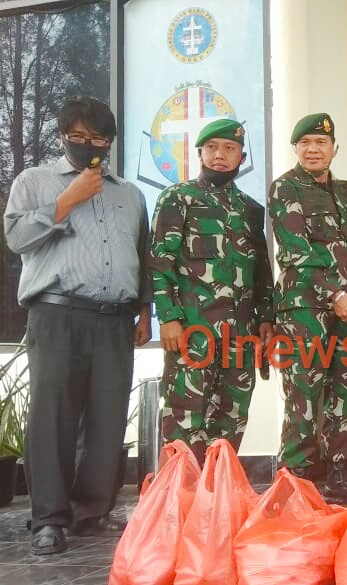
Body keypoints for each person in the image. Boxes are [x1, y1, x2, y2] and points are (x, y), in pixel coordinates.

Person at [3, 97, 152, 554]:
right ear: (63, 135)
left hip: (114, 319)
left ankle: (91, 512)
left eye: (99, 139)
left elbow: (142, 255)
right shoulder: (34, 181)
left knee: (107, 419)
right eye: (79, 137)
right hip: (56, 313)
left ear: (110, 143)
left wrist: (143, 310)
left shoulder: (130, 193)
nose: (89, 146)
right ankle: (48, 517)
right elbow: (16, 237)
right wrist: (67, 200)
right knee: (53, 417)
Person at [150, 119, 274, 466]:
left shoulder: (250, 210)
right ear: (200, 153)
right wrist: (169, 318)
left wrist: (266, 319)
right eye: (213, 148)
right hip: (194, 332)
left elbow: (261, 272)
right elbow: (160, 263)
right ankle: (179, 505)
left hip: (240, 337)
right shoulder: (178, 199)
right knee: (184, 423)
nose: (221, 155)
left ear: (241, 156)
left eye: (229, 149)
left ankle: (218, 501)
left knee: (231, 423)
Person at [268, 113, 347, 501]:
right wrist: (334, 294)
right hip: (305, 308)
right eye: (306, 143)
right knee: (304, 392)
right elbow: (298, 252)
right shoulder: (286, 189)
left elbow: (344, 242)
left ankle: (342, 471)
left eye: (321, 143)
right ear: (296, 149)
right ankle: (297, 477)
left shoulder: (343, 191)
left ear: (334, 150)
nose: (314, 149)